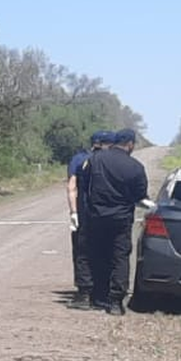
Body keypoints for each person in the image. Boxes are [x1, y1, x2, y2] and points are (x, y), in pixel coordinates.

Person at [80, 128, 149, 315]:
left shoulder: (95, 159)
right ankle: (116, 302)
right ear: (130, 144)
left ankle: (98, 296)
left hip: (96, 216)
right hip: (121, 219)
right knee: (120, 257)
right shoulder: (136, 167)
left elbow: (84, 185)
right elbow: (140, 196)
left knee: (98, 255)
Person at [66, 130, 113, 308]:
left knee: (82, 252)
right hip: (107, 214)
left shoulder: (79, 160)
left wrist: (73, 212)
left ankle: (84, 292)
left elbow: (71, 187)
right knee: (105, 252)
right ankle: (102, 293)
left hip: (85, 212)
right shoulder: (111, 161)